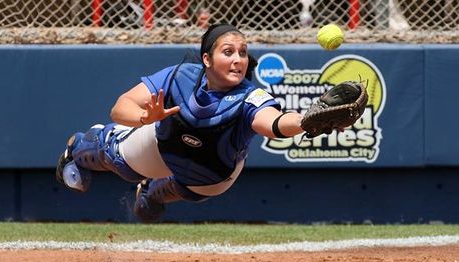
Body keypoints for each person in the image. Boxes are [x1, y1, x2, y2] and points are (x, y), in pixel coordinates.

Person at [56, 23, 307, 222]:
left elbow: (275, 124)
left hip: (212, 170)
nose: (238, 60)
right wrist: (144, 118)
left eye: (242, 53)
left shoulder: (250, 96)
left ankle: (151, 193)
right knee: (122, 163)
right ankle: (76, 149)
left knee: (192, 189)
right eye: (228, 52)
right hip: (165, 144)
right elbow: (120, 108)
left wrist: (307, 121)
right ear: (207, 59)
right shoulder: (181, 76)